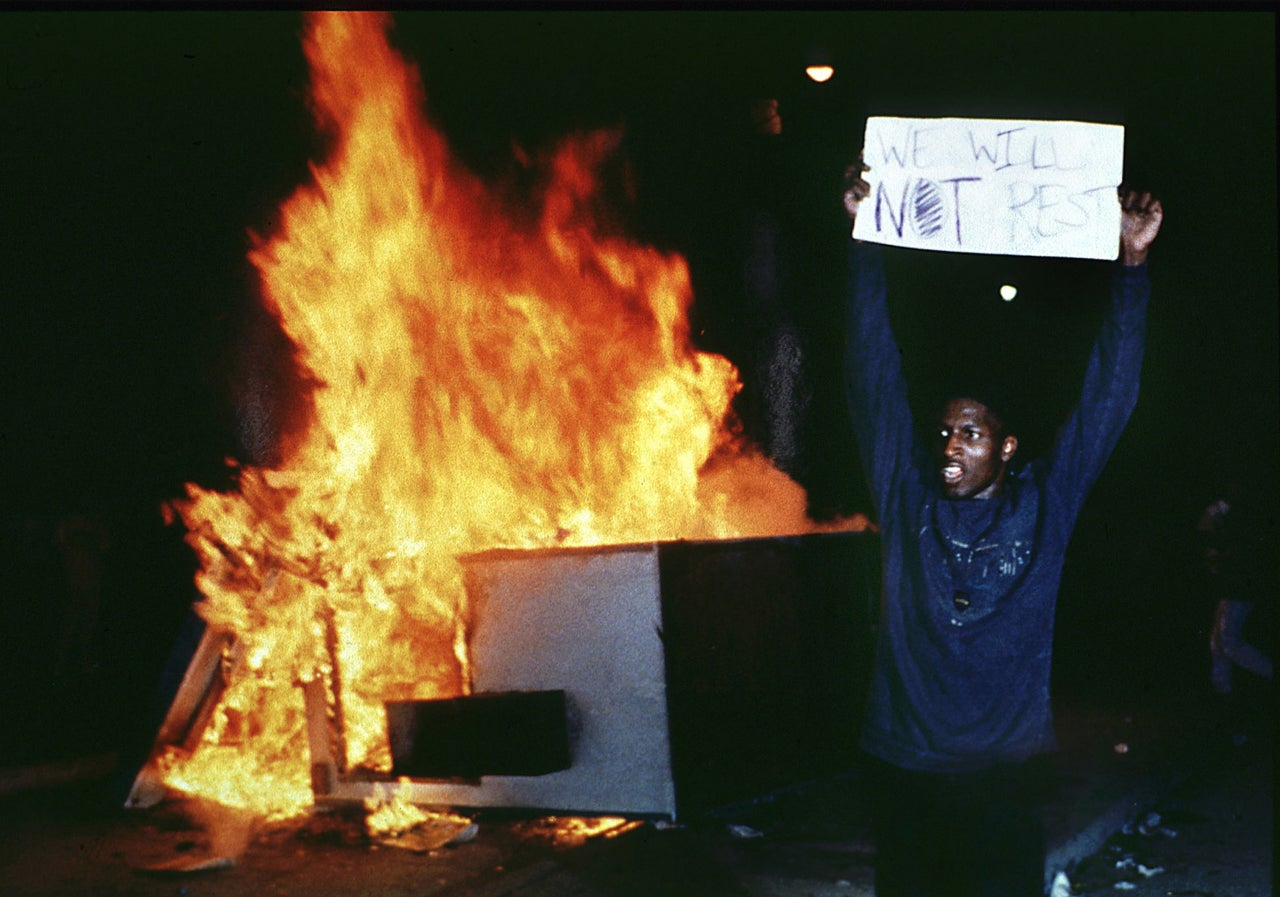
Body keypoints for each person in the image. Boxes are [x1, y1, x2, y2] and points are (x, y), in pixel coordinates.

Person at [842, 158, 1163, 897]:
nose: (951, 444)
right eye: (945, 431)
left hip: (1005, 773)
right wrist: (863, 246)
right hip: (906, 765)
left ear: (1006, 446)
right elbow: (872, 372)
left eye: (972, 432)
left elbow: (1108, 399)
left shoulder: (1045, 503)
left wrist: (1133, 265)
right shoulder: (906, 492)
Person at [1198, 480, 1272, 700]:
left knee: (1228, 641)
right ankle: (1221, 690)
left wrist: (1218, 557)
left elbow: (1239, 549)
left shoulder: (1242, 516)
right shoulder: (1224, 511)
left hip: (1239, 586)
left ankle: (1269, 673)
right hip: (1231, 585)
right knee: (1217, 642)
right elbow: (1206, 532)